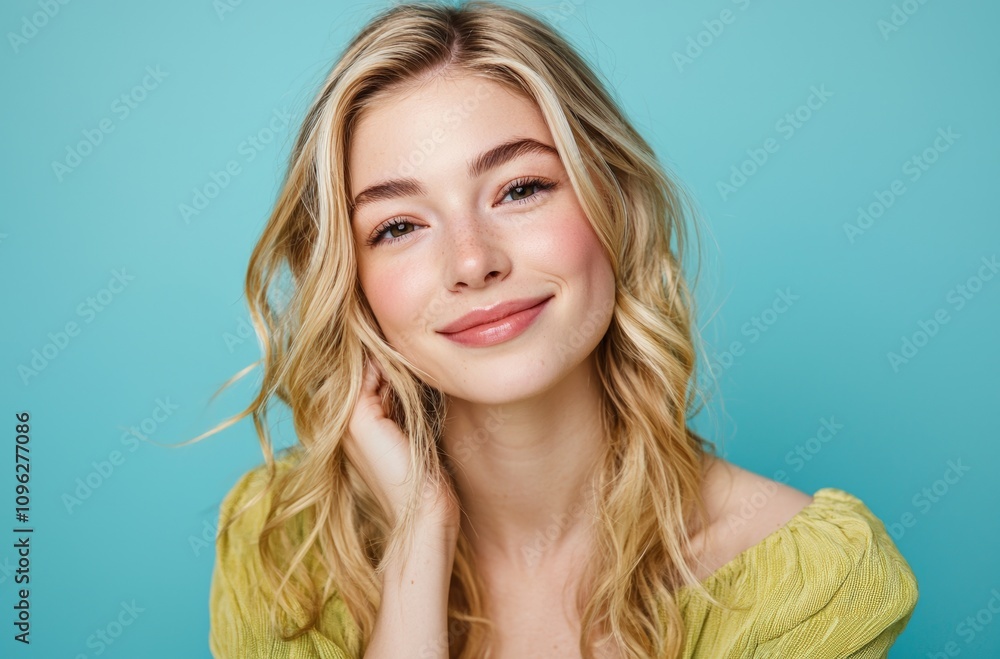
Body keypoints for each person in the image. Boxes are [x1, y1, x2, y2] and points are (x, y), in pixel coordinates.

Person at [204, 1, 919, 657]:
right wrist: (421, 532)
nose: (473, 261)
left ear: (614, 203)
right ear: (351, 286)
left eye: (520, 188)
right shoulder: (278, 548)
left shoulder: (810, 580)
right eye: (398, 226)